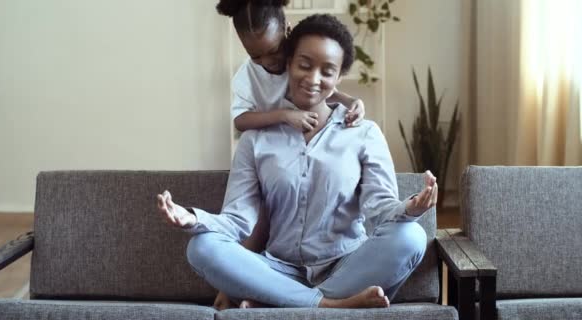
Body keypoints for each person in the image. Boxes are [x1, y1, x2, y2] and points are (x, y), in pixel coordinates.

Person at [157, 14, 438, 309]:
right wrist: (193, 218)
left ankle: (281, 303)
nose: (313, 79)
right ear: (288, 62)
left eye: (327, 71)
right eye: (304, 64)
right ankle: (331, 307)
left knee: (411, 237)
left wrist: (411, 207)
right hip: (278, 268)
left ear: (339, 77)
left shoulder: (364, 133)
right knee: (201, 247)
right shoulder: (256, 139)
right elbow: (237, 221)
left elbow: (379, 210)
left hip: (346, 265)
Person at [216, 0, 365, 132]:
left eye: (274, 51)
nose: (268, 61)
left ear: (287, 30)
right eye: (255, 56)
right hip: (272, 140)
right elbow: (240, 120)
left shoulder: (298, 60)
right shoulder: (246, 77)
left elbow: (325, 92)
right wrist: (284, 115)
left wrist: (351, 102)